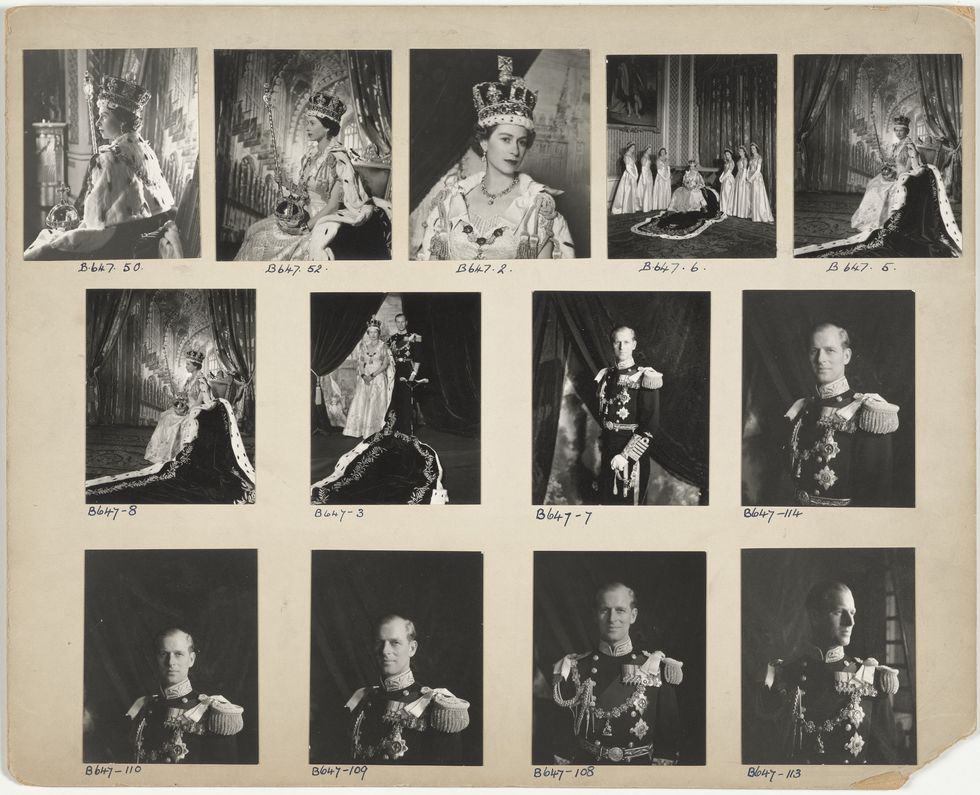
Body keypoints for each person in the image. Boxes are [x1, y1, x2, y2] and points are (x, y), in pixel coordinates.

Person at [416, 55, 575, 260]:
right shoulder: (450, 200)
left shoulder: (537, 208)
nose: (515, 150)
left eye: (522, 142)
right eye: (506, 139)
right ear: (484, 142)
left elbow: (543, 281)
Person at [24, 74, 179, 260]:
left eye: (104, 117)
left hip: (117, 246)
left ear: (123, 121)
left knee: (44, 245)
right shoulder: (146, 149)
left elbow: (95, 221)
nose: (97, 123)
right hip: (148, 234)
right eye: (98, 117)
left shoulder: (107, 157)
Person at [753, 581, 901, 764]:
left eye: (852, 613)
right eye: (839, 612)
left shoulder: (871, 677)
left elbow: (887, 760)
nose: (850, 622)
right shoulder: (781, 675)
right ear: (815, 617)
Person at [234, 91, 389, 261]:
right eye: (307, 123)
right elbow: (304, 192)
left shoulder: (339, 160)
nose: (307, 127)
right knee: (254, 231)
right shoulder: (310, 156)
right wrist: (286, 183)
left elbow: (332, 207)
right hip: (302, 214)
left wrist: (305, 228)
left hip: (321, 219)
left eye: (312, 123)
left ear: (327, 127)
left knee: (264, 243)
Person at [551, 583, 682, 765]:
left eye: (620, 610)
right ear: (595, 616)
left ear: (633, 616)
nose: (612, 618)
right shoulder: (574, 667)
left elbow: (667, 743)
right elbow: (563, 742)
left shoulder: (654, 667)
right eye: (605, 610)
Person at [795, 114, 962, 258]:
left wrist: (904, 174)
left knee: (878, 189)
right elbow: (894, 162)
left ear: (907, 131)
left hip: (903, 177)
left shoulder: (910, 146)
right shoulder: (896, 145)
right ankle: (871, 219)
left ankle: (879, 222)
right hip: (896, 174)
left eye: (901, 130)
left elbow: (915, 166)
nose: (898, 132)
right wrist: (887, 168)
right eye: (896, 130)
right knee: (873, 183)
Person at [785, 322, 898, 507]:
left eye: (830, 350)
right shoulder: (803, 408)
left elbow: (875, 499)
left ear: (846, 356)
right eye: (815, 351)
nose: (821, 359)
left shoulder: (868, 412)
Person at [345, 615, 470, 764]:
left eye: (395, 643)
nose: (385, 651)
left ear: (411, 648)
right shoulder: (362, 699)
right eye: (380, 642)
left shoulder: (435, 707)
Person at [125, 628, 244, 763]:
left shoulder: (212, 713)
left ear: (191, 659)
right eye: (164, 654)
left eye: (178, 654)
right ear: (155, 659)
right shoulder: (144, 706)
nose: (170, 662)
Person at [593, 326, 662, 505]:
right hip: (608, 453)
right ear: (612, 345)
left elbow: (650, 427)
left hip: (631, 457)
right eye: (617, 342)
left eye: (626, 342)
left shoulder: (644, 377)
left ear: (634, 345)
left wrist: (626, 455)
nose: (622, 347)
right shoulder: (606, 376)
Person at [144, 350, 213, 464]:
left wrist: (186, 410)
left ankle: (173, 454)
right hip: (186, 407)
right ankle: (162, 453)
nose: (186, 366)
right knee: (165, 416)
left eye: (188, 364)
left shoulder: (201, 381)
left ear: (195, 366)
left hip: (196, 409)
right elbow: (184, 395)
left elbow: (200, 402)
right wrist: (179, 400)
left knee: (173, 421)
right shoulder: (189, 380)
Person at [343, 318, 395, 439]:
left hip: (378, 378)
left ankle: (375, 429)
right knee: (362, 402)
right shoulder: (364, 347)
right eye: (370, 332)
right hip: (365, 378)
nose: (373, 335)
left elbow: (385, 365)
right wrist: (363, 376)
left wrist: (372, 376)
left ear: (378, 333)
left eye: (375, 332)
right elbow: (360, 363)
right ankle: (359, 429)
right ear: (368, 333)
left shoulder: (383, 346)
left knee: (375, 403)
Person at [388, 313, 423, 435]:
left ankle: (407, 430)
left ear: (406, 322)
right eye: (398, 322)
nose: (400, 324)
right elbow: (388, 357)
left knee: (407, 400)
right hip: (395, 371)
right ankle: (396, 428)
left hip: (408, 370)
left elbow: (418, 358)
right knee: (396, 399)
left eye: (402, 322)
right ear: (395, 322)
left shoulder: (415, 337)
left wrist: (414, 373)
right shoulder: (392, 339)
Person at [747, 143, 774, 223]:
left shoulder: (759, 158)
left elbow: (758, 170)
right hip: (751, 177)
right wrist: (747, 177)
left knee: (758, 196)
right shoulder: (751, 158)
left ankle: (760, 215)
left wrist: (751, 179)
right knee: (752, 196)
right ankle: (754, 214)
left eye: (754, 148)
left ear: (756, 149)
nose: (752, 150)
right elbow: (749, 168)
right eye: (751, 148)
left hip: (757, 178)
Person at [611, 143, 639, 214]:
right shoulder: (626, 156)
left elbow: (634, 166)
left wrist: (636, 174)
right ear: (628, 148)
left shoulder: (632, 156)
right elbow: (628, 167)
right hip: (628, 175)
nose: (633, 149)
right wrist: (633, 175)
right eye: (632, 147)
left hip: (633, 174)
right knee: (627, 190)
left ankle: (631, 207)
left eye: (634, 147)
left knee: (632, 190)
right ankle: (625, 208)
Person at [732, 144, 751, 219]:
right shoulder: (739, 159)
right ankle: (737, 211)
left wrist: (742, 179)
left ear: (744, 152)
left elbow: (745, 169)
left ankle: (742, 212)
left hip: (742, 177)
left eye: (741, 151)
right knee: (737, 193)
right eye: (739, 151)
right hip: (738, 176)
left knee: (742, 193)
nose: (739, 152)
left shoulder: (745, 159)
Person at [636, 146, 655, 213]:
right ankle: (645, 207)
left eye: (650, 150)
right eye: (649, 150)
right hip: (645, 175)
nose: (650, 151)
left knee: (649, 190)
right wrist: (644, 178)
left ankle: (648, 206)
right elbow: (643, 169)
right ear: (646, 150)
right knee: (645, 190)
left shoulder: (648, 157)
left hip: (649, 174)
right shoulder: (643, 158)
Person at [718, 149, 736, 215]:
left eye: (728, 154)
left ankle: (727, 209)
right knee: (723, 193)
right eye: (726, 154)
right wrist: (721, 177)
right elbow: (724, 171)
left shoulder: (732, 162)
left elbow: (729, 172)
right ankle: (723, 209)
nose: (727, 156)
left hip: (728, 178)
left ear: (731, 155)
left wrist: (723, 178)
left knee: (727, 193)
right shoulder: (727, 162)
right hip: (725, 178)